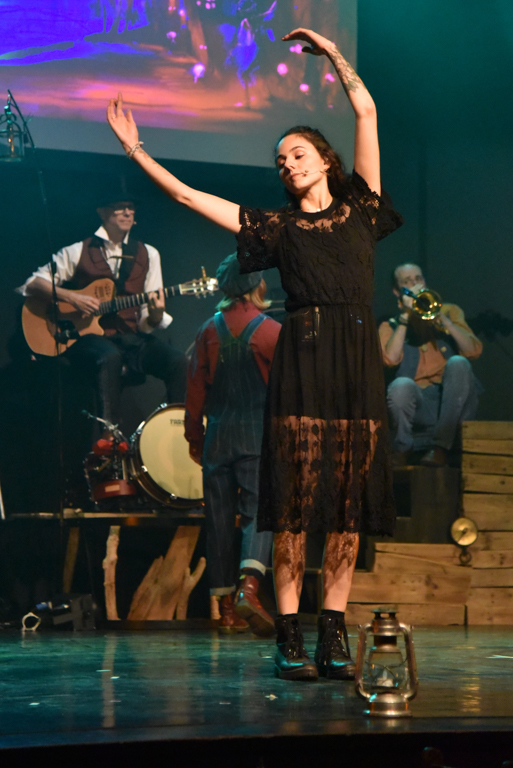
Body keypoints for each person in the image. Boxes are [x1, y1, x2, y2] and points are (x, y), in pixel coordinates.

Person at [106, 26, 403, 681]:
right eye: (279, 161)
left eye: (296, 154)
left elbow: (366, 111)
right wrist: (139, 152)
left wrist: (330, 54)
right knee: (295, 509)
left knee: (346, 509)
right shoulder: (278, 228)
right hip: (303, 365)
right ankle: (290, 633)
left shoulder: (361, 210)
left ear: (324, 159)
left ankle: (332, 631)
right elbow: (189, 197)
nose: (287, 165)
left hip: (353, 366)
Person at [18, 195, 187, 432]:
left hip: (131, 337)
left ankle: (176, 431)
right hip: (90, 338)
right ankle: (109, 438)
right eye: (120, 208)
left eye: (131, 208)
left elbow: (150, 321)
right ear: (102, 213)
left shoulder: (149, 254)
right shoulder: (79, 250)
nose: (128, 212)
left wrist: (157, 314)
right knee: (110, 358)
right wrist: (72, 297)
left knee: (178, 361)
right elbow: (33, 284)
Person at [185, 253, 281, 636]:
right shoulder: (271, 331)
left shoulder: (208, 330)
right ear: (257, 286)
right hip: (257, 436)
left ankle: (226, 611)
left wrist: (195, 439)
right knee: (259, 511)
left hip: (218, 438)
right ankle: (249, 588)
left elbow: (194, 392)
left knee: (219, 522)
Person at [379, 263, 482, 467]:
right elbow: (389, 359)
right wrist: (406, 316)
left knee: (458, 362)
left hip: (452, 402)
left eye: (418, 279)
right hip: (420, 406)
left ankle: (440, 448)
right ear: (396, 291)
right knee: (400, 385)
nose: (415, 284)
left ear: (424, 282)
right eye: (407, 282)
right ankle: (403, 449)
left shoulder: (450, 311)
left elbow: (473, 351)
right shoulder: (389, 325)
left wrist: (442, 319)